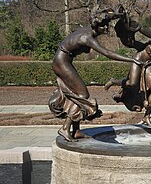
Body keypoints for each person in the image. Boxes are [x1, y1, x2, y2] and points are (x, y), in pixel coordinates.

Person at [48, 7, 143, 141]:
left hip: (64, 61)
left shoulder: (93, 26)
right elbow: (108, 53)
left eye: (107, 25)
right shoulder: (87, 38)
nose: (107, 28)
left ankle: (75, 131)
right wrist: (131, 59)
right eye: (104, 26)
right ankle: (65, 128)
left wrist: (120, 15)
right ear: (96, 26)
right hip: (62, 63)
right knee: (83, 95)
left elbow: (106, 16)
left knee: (77, 94)